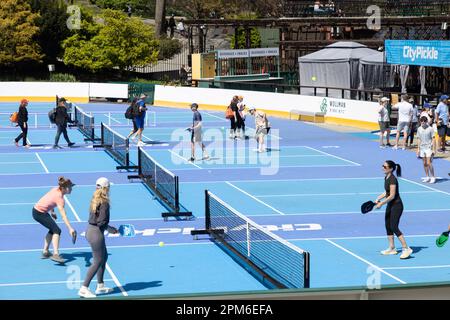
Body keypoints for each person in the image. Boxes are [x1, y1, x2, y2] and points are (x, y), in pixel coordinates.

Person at [78, 177, 118, 298]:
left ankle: (100, 286)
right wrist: (112, 229)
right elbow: (101, 222)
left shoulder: (95, 198)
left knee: (104, 257)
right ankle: (84, 288)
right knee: (97, 261)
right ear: (107, 188)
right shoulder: (104, 202)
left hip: (90, 231)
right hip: (96, 234)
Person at [33, 177, 77, 264]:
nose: (71, 188)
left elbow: (49, 199)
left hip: (38, 211)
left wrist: (52, 212)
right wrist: (70, 228)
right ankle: (56, 254)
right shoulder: (60, 199)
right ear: (64, 188)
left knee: (52, 229)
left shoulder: (56, 189)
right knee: (57, 230)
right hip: (39, 213)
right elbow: (63, 216)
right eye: (70, 187)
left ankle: (45, 252)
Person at [374, 161, 413, 259]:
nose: (383, 168)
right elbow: (387, 192)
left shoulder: (392, 179)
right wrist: (379, 197)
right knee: (388, 225)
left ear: (391, 168)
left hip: (397, 206)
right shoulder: (386, 177)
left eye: (385, 166)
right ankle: (392, 248)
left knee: (394, 226)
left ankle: (406, 248)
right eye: (382, 166)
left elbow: (392, 195)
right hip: (390, 205)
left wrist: (381, 203)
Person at [417, 116, 437, 184]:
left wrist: (434, 149)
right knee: (424, 163)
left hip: (429, 147)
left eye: (424, 121)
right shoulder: (419, 129)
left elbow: (434, 139)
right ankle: (427, 176)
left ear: (426, 122)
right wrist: (418, 149)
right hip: (422, 148)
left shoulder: (430, 129)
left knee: (429, 163)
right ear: (420, 122)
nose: (423, 123)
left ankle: (433, 177)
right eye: (422, 121)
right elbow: (419, 139)